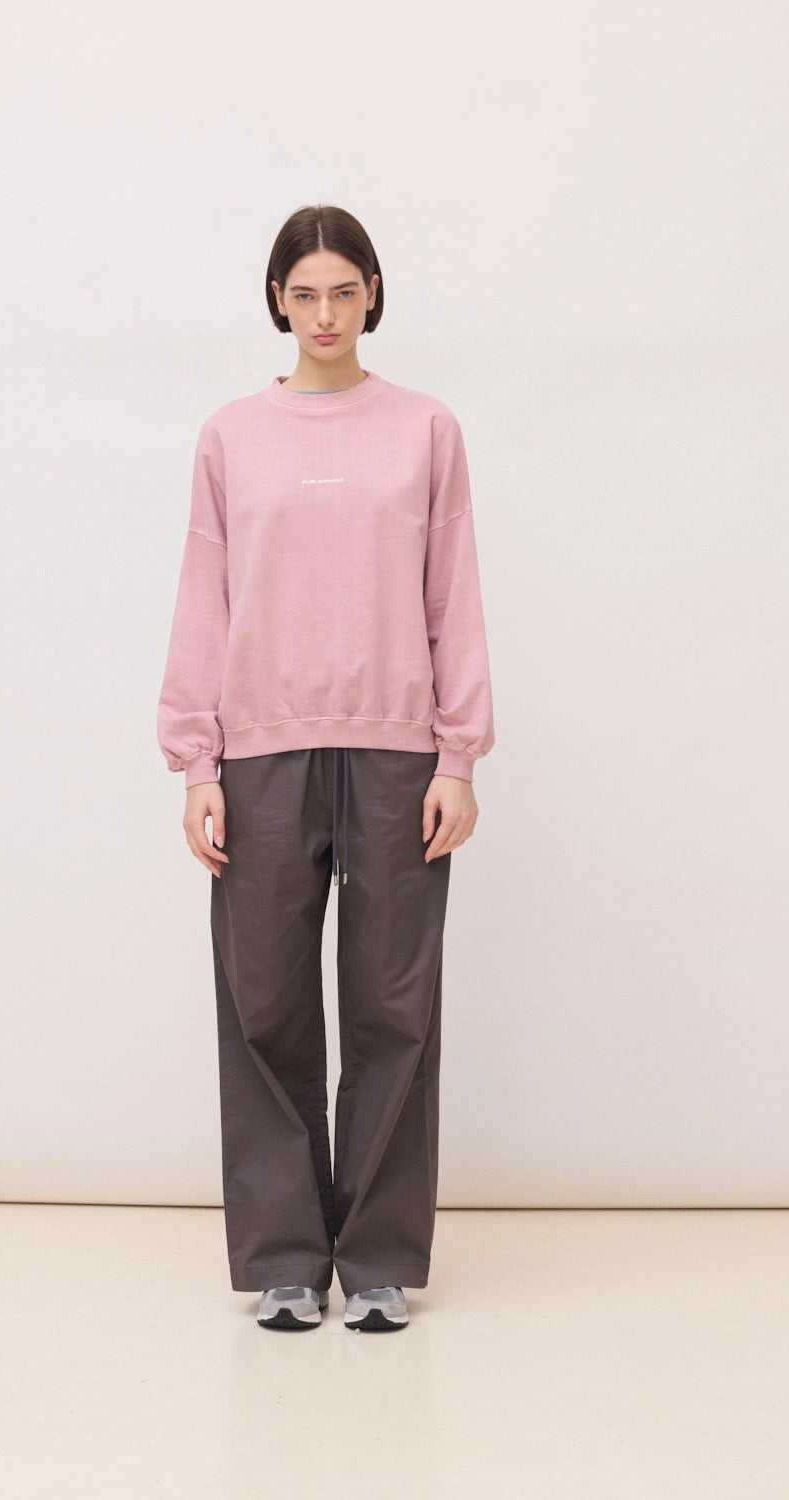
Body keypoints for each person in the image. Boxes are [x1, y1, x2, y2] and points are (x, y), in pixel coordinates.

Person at [157, 204, 493, 1332]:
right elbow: (203, 597)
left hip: (400, 749)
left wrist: (458, 754)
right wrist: (196, 762)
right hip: (258, 747)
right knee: (265, 1004)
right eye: (304, 295)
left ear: (373, 293)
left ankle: (381, 1257)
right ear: (277, 302)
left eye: (344, 291)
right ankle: (287, 1260)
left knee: (395, 1003)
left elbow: (453, 592)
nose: (325, 314)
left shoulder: (425, 429)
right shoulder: (229, 436)